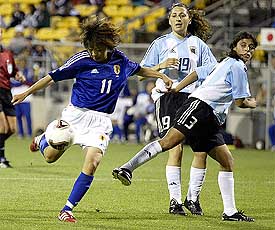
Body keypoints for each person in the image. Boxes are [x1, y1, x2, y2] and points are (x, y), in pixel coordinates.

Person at [11, 16, 173, 223]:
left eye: (98, 49)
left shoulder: (120, 60)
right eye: (91, 49)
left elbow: (139, 70)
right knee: (50, 157)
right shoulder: (81, 60)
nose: (95, 53)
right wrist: (26, 93)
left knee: (93, 162)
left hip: (101, 121)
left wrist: (161, 75)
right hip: (75, 116)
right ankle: (43, 139)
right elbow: (51, 76)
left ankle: (67, 209)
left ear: (107, 45)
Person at [112, 31, 257, 222]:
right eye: (243, 45)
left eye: (251, 47)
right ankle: (127, 168)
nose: (247, 50)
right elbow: (239, 102)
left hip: (210, 117)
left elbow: (197, 72)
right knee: (170, 142)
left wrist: (177, 88)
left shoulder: (221, 64)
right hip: (200, 108)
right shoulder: (236, 67)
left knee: (227, 161)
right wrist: (250, 103)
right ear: (234, 47)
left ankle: (229, 212)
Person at [130, 3, 217, 215]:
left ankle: (193, 199)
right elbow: (140, 75)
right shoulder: (160, 43)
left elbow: (213, 70)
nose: (178, 18)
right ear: (169, 20)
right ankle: (175, 201)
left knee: (201, 150)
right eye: (174, 15)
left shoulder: (199, 44)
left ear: (189, 19)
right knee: (175, 147)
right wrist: (161, 67)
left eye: (182, 15)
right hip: (168, 98)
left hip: (194, 99)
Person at [0, 28, 25, 168]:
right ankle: (1, 158)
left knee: (12, 129)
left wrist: (18, 75)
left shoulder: (7, 54)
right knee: (2, 127)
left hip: (6, 92)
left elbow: (13, 71)